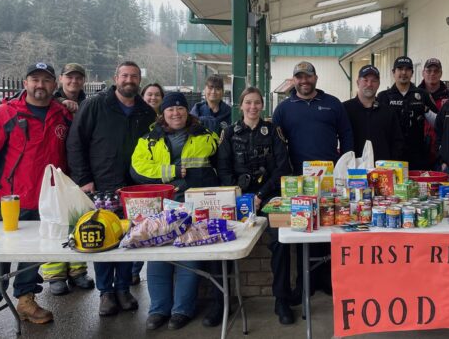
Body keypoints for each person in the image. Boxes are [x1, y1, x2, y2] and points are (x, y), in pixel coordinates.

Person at [67, 61, 157, 316]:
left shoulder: (146, 112)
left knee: (130, 238)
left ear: (139, 80)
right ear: (115, 77)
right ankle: (106, 292)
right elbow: (76, 143)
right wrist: (84, 178)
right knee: (103, 238)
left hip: (135, 189)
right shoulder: (95, 105)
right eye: (125, 75)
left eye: (134, 76)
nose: (130, 80)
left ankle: (123, 288)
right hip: (101, 185)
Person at [130, 92, 219, 330]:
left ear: (187, 111)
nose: (176, 113)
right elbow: (137, 169)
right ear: (163, 113)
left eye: (180, 109)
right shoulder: (149, 139)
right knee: (158, 258)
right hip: (161, 207)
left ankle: (182, 309)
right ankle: (158, 309)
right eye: (170, 109)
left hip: (194, 206)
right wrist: (170, 171)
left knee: (188, 257)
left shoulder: (206, 135)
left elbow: (218, 162)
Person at [0, 62, 72, 324]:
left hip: (48, 200)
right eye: (35, 79)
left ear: (55, 84)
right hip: (10, 199)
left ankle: (26, 300)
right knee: (0, 253)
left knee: (36, 252)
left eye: (46, 80)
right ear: (25, 83)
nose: (40, 85)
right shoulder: (6, 113)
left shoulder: (63, 115)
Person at [272, 61, 353, 304]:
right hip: (298, 180)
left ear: (315, 78)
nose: (304, 81)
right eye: (299, 77)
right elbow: (276, 144)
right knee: (302, 229)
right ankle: (304, 284)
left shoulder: (332, 104)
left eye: (307, 76)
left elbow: (346, 134)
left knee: (328, 226)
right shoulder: (284, 109)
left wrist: (345, 163)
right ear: (293, 80)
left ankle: (327, 281)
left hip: (330, 179)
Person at [217, 87, 293, 324]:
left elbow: (283, 168)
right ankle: (221, 302)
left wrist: (259, 195)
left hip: (269, 196)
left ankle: (282, 299)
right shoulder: (229, 133)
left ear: (262, 105)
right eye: (248, 103)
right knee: (221, 237)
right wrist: (241, 196)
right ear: (241, 106)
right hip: (237, 197)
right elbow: (223, 168)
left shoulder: (272, 131)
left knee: (281, 238)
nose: (252, 107)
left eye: (257, 103)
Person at [41, 63, 94, 296]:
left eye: (78, 78)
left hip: (78, 172)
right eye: (69, 77)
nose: (74, 81)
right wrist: (60, 104)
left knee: (78, 221)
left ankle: (77, 270)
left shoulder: (88, 104)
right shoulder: (48, 101)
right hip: (53, 170)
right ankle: (54, 274)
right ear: (61, 79)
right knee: (54, 223)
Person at [131, 82, 166, 286]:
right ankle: (134, 269)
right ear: (142, 96)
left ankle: (137, 269)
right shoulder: (136, 117)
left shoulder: (164, 120)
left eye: (156, 95)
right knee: (139, 226)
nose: (153, 98)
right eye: (149, 95)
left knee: (153, 226)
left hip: (158, 180)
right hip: (139, 176)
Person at [377, 56, 438, 170]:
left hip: (417, 155)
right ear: (393, 72)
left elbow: (439, 123)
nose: (404, 72)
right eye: (400, 69)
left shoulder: (422, 94)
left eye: (407, 69)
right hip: (391, 156)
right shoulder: (383, 97)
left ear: (412, 73)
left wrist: (425, 110)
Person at [343, 64, 404, 160]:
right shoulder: (345, 109)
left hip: (382, 171)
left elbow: (397, 142)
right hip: (352, 171)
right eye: (365, 80)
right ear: (358, 82)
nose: (369, 84)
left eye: (374, 81)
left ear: (379, 84)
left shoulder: (388, 112)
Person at [418, 58, 449, 168]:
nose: (432, 74)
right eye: (429, 71)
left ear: (441, 73)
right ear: (423, 73)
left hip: (443, 154)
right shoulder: (415, 95)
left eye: (436, 71)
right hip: (419, 152)